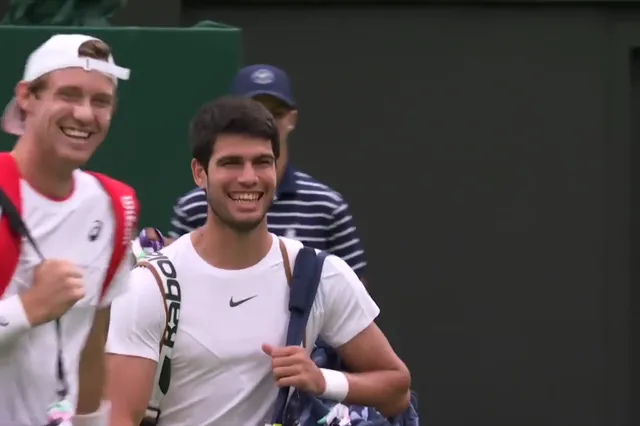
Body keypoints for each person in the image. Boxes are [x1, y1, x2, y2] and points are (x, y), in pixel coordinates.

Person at [106, 96, 410, 426]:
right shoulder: (150, 285)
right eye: (231, 163)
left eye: (262, 162)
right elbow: (120, 418)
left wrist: (323, 381)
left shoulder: (317, 274)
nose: (249, 177)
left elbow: (397, 388)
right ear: (199, 172)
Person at [0, 34, 138, 425]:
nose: (84, 114)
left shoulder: (115, 206)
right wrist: (28, 309)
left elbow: (92, 345)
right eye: (69, 95)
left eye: (101, 102)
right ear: (27, 97)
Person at [165, 64, 367, 279]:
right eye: (253, 110)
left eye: (275, 113)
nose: (265, 120)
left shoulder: (327, 206)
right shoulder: (193, 207)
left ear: (292, 119)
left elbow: (353, 298)